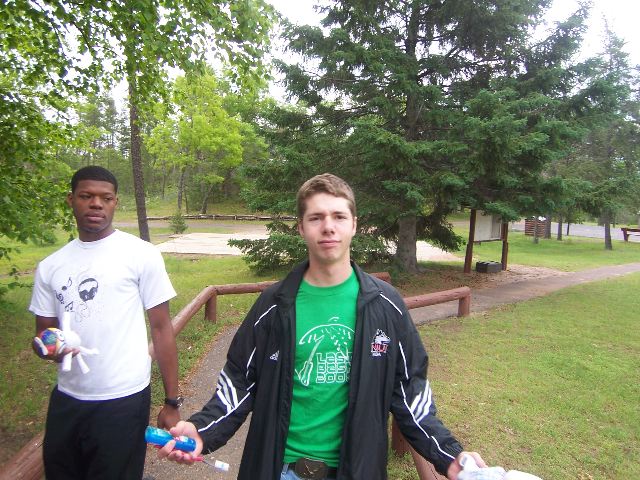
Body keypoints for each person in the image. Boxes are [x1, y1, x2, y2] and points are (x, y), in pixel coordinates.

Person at [159, 173, 485, 479]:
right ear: (301, 228)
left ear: (354, 224)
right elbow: (238, 383)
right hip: (280, 470)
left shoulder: (386, 306)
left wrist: (450, 455)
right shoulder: (274, 306)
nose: (328, 227)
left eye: (339, 216)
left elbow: (411, 395)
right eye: (316, 218)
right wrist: (201, 430)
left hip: (356, 470)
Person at [29, 165, 182, 479]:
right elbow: (43, 336)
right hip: (67, 399)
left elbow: (161, 328)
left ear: (115, 202)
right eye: (86, 196)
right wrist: (51, 348)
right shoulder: (50, 266)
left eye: (105, 198)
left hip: (124, 400)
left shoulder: (141, 254)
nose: (96, 204)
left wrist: (171, 401)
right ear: (71, 200)